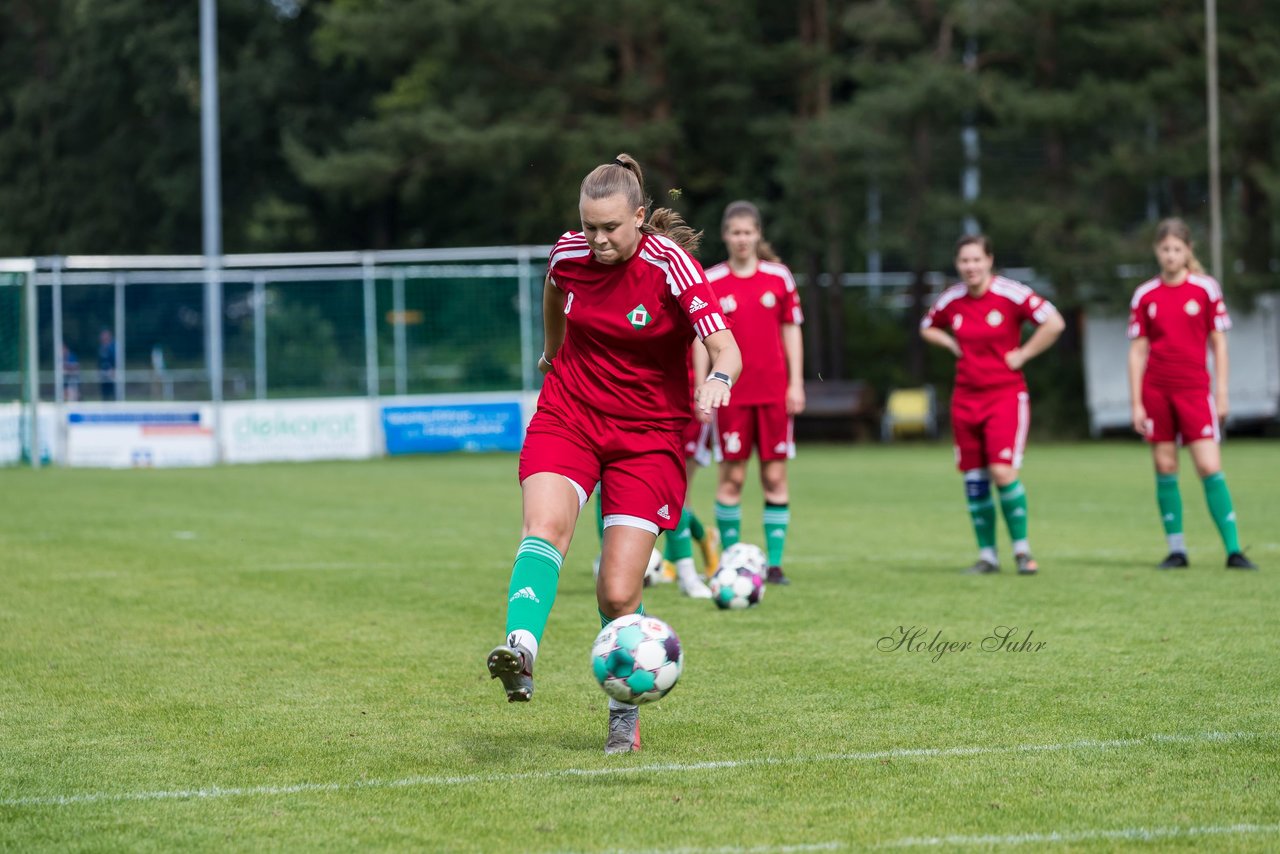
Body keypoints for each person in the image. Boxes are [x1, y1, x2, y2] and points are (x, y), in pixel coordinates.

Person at [486, 153, 741, 755]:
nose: (596, 240)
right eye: (588, 225)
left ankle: (622, 715)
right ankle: (520, 649)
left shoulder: (671, 266)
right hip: (569, 413)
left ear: (640, 217)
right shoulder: (568, 253)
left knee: (617, 593)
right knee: (545, 527)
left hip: (648, 435)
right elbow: (555, 291)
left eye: (610, 228)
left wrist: (719, 380)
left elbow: (724, 346)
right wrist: (553, 352)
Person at [920, 235, 1065, 575]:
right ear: (958, 265)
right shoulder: (952, 299)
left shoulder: (1010, 293)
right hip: (965, 399)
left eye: (976, 260)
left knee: (1001, 471)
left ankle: (1022, 551)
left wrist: (1025, 353)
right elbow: (927, 326)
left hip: (1004, 396)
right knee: (974, 479)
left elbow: (1054, 322)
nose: (970, 267)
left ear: (989, 261)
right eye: (964, 261)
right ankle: (987, 555)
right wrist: (951, 343)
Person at [1127, 218, 1257, 570]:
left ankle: (1233, 550)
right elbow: (1138, 351)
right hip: (1157, 391)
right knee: (1165, 465)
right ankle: (1177, 550)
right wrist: (1137, 402)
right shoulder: (1145, 295)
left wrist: (1222, 393)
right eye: (1165, 249)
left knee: (1208, 465)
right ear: (1157, 251)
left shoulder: (1205, 289)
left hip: (1195, 390)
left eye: (1177, 250)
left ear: (1188, 252)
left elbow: (1219, 343)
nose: (1170, 256)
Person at [705, 201, 804, 585]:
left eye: (748, 232)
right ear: (726, 236)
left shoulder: (779, 278)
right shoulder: (712, 281)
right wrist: (705, 382)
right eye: (735, 232)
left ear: (758, 235)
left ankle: (775, 564)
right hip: (731, 395)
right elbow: (703, 340)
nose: (742, 239)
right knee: (731, 478)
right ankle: (730, 561)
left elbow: (792, 330)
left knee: (775, 476)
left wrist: (796, 383)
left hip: (774, 393)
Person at [97, 329, 117, 401]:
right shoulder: (101, 348)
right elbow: (99, 361)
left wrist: (114, 369)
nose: (103, 337)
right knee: (105, 393)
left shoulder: (114, 346)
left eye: (105, 335)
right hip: (103, 373)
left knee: (114, 392)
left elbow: (116, 359)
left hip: (112, 373)